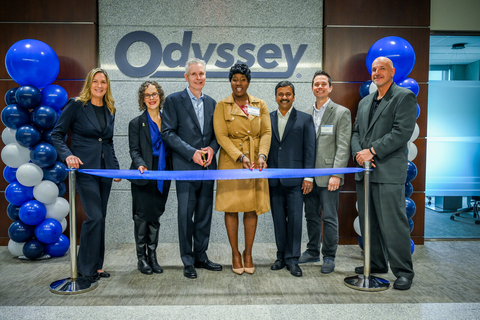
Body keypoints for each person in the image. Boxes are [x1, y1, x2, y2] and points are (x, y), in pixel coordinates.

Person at [351, 56, 416, 290]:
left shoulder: (403, 97)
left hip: (387, 172)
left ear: (392, 71)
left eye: (382, 69)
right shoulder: (366, 101)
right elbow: (356, 131)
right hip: (366, 172)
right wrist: (361, 153)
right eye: (374, 69)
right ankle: (377, 263)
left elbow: (402, 132)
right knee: (370, 223)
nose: (376, 72)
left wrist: (373, 151)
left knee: (394, 224)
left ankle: (403, 272)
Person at [51, 68, 120, 281]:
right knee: (95, 216)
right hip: (85, 169)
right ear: (89, 84)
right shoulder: (76, 105)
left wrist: (115, 167)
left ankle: (96, 266)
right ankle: (85, 268)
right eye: (96, 82)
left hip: (104, 170)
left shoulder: (110, 108)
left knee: (102, 218)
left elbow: (108, 142)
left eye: (104, 82)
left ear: (108, 86)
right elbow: (57, 134)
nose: (100, 86)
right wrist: (68, 156)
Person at [161, 58, 222, 279]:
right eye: (194, 74)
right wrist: (191, 152)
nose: (199, 78)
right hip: (186, 167)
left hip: (208, 168)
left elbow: (217, 135)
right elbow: (167, 133)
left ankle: (201, 256)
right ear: (186, 77)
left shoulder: (213, 103)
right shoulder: (173, 101)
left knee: (204, 214)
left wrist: (213, 149)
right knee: (186, 216)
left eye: (202, 74)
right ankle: (187, 260)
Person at [213, 62, 272, 275]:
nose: (239, 83)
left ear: (248, 82)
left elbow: (266, 132)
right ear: (230, 81)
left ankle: (248, 253)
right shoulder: (221, 105)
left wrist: (262, 155)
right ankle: (235, 253)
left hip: (256, 162)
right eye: (235, 79)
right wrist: (240, 156)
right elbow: (221, 136)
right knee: (231, 207)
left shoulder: (260, 104)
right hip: (231, 162)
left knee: (250, 207)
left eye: (243, 79)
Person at [299, 70, 352, 274]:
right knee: (310, 216)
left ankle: (329, 256)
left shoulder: (341, 112)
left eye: (323, 84)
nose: (319, 87)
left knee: (329, 217)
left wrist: (337, 174)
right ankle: (313, 251)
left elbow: (343, 146)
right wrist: (306, 175)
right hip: (309, 177)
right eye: (316, 84)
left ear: (330, 87)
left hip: (330, 176)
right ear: (312, 88)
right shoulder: (304, 114)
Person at [267, 81, 316, 277]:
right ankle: (280, 256)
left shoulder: (305, 119)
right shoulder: (267, 118)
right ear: (276, 97)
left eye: (288, 94)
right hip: (273, 179)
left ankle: (293, 259)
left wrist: (309, 177)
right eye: (280, 94)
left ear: (293, 97)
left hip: (297, 180)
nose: (284, 97)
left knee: (295, 220)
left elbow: (310, 149)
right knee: (278, 219)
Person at [128, 81, 171, 275]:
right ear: (142, 99)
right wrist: (139, 164)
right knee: (142, 217)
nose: (151, 98)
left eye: (154, 94)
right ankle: (141, 258)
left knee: (155, 215)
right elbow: (134, 150)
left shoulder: (169, 120)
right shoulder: (136, 123)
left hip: (163, 172)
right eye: (147, 95)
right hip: (144, 173)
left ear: (160, 97)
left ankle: (153, 256)